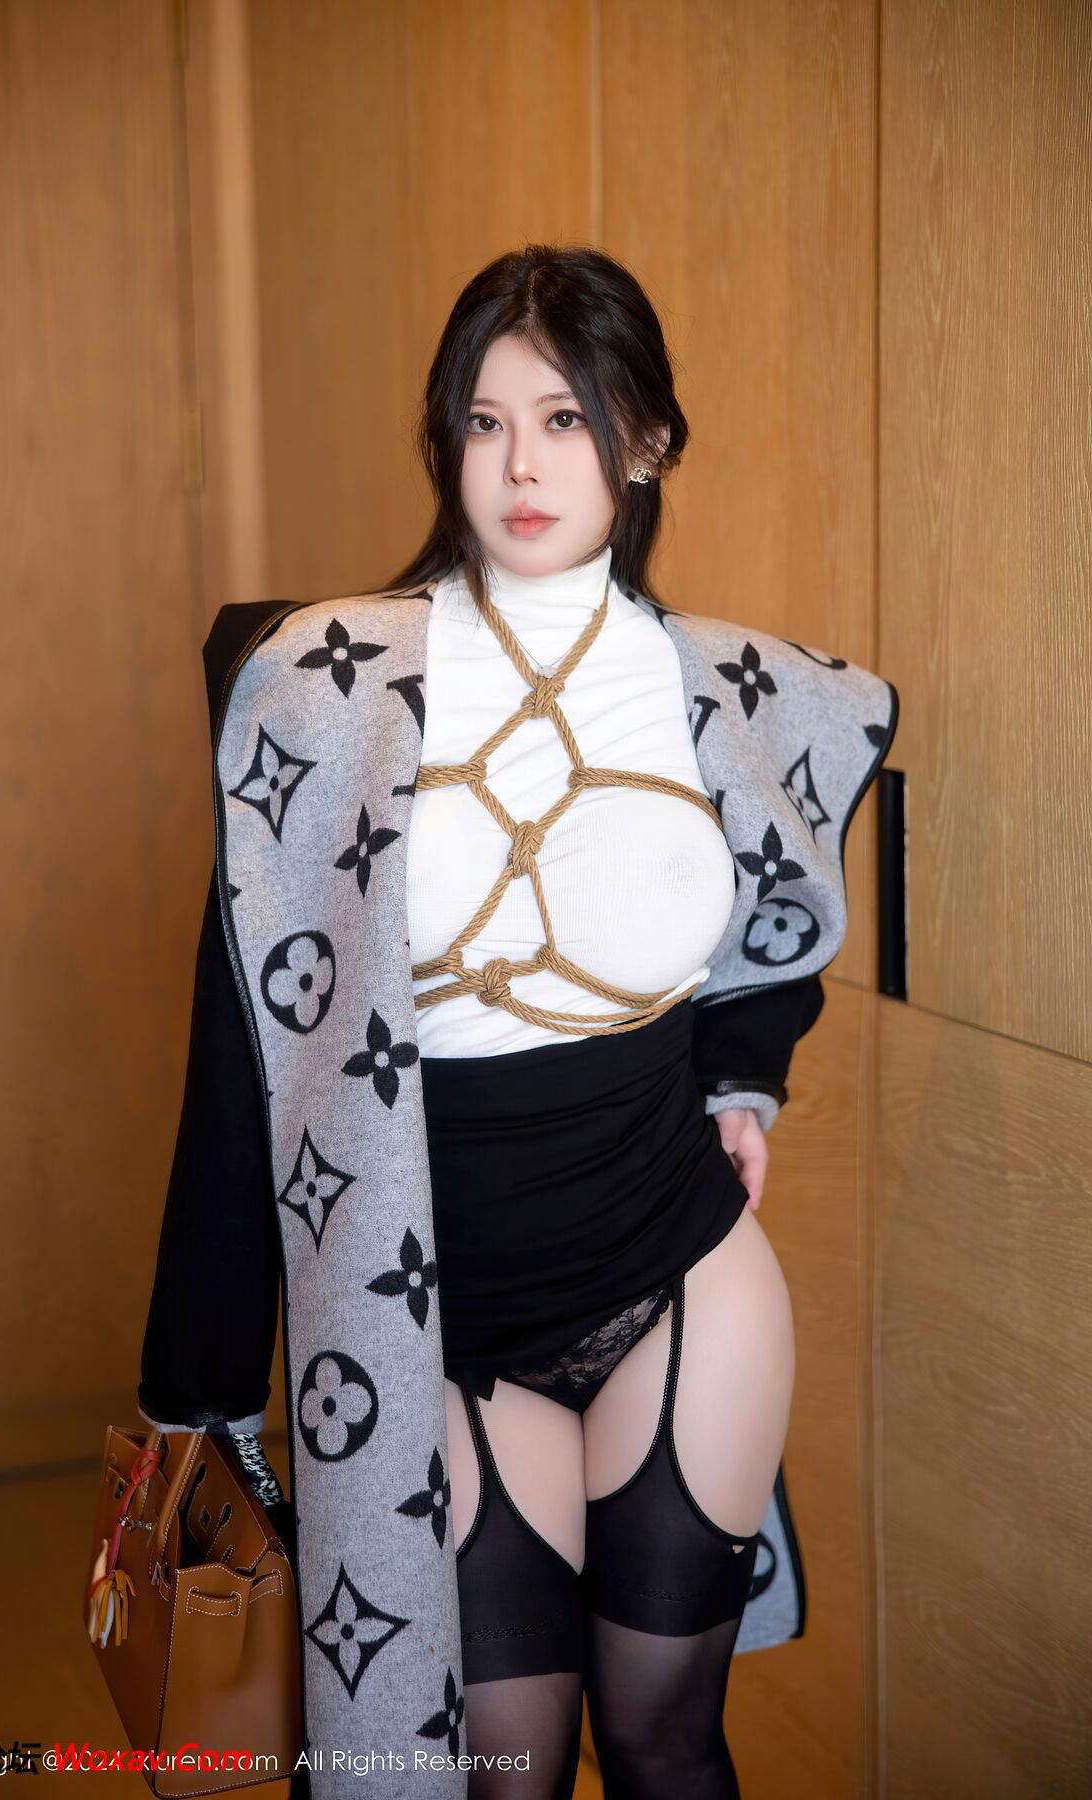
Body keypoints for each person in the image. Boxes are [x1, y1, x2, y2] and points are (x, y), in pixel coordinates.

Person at [138, 243, 896, 1800]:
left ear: (648, 440)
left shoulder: (725, 689)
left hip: (677, 1274)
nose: (523, 465)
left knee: (669, 1739)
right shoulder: (326, 689)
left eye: (565, 419)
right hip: (434, 1322)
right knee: (503, 1767)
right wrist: (194, 1392)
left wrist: (743, 1075)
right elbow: (246, 1053)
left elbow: (771, 908)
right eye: (485, 424)